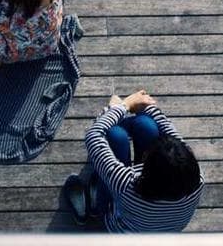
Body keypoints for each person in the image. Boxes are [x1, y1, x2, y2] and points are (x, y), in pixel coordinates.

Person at [64, 90, 203, 232]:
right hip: (161, 232)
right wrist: (146, 105)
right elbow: (173, 134)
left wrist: (121, 106)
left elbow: (93, 135)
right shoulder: (197, 180)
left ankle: (97, 204)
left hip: (121, 227)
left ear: (146, 168)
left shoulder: (126, 185)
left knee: (115, 136)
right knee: (146, 125)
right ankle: (100, 185)